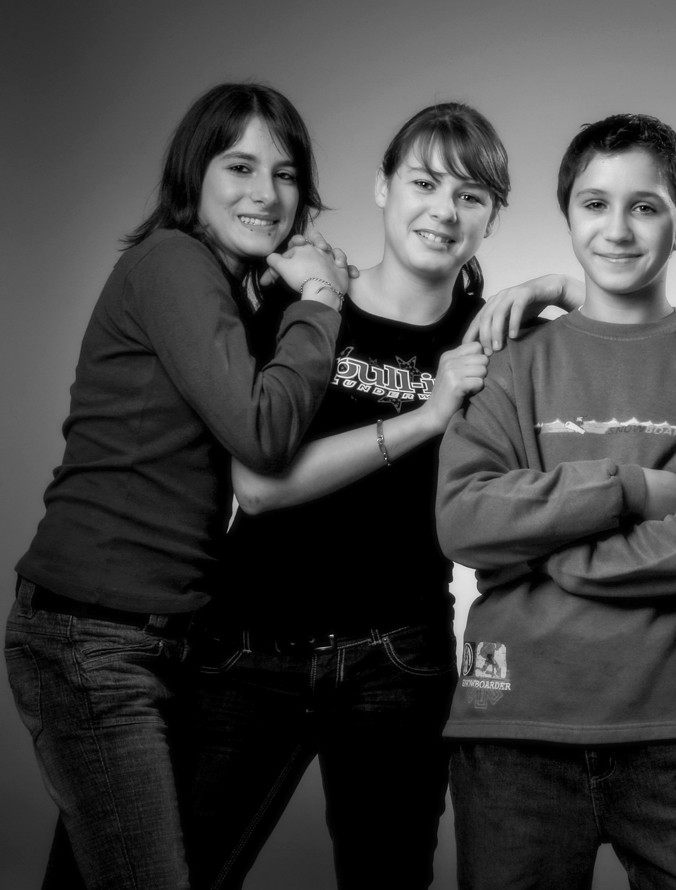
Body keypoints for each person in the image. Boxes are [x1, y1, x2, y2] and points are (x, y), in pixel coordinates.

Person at [5, 82, 346, 890]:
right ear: (194, 174)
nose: (266, 193)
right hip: (92, 640)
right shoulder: (173, 263)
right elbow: (263, 434)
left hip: (158, 641)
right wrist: (324, 300)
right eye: (240, 166)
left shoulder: (227, 289)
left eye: (287, 174)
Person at [436, 113, 676, 890]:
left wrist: (547, 550)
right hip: (515, 729)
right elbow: (463, 518)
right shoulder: (509, 363)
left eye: (645, 207)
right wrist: (625, 491)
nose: (617, 229)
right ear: (568, 214)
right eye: (594, 204)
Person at [184, 103, 509, 890]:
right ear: (382, 187)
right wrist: (427, 415)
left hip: (398, 656)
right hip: (251, 642)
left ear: (492, 217)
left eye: (471, 196)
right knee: (175, 870)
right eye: (425, 182)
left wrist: (562, 281)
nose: (443, 210)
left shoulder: (495, 344)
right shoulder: (307, 298)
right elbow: (257, 487)